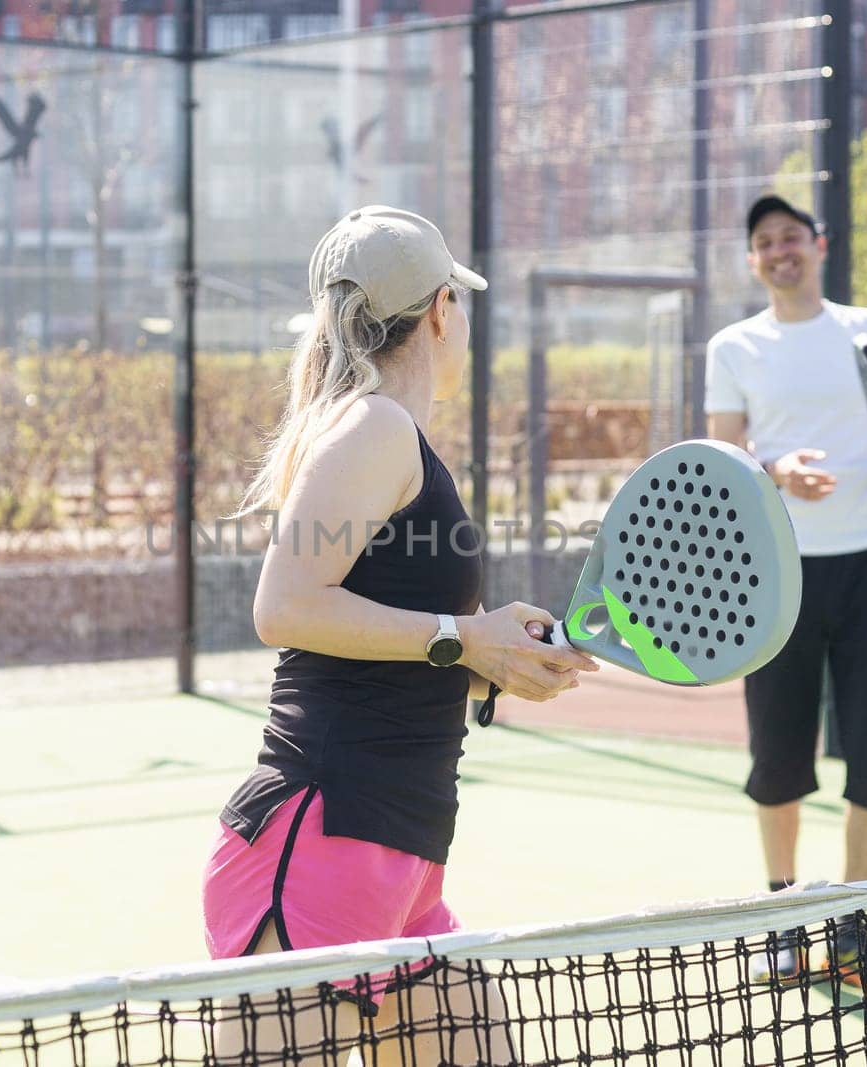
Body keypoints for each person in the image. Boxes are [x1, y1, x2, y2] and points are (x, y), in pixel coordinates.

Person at [202, 205, 599, 1063]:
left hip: (404, 860)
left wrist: (502, 656)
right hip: (324, 841)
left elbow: (398, 641)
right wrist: (465, 637)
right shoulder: (375, 427)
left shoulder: (392, 437)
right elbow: (286, 607)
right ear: (439, 312)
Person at [704, 194, 867, 993]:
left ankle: (849, 925)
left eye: (792, 238)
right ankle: (781, 917)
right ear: (753, 260)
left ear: (819, 244)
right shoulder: (734, 345)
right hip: (779, 573)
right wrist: (778, 473)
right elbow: (725, 456)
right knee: (778, 756)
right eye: (764, 241)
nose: (780, 251)